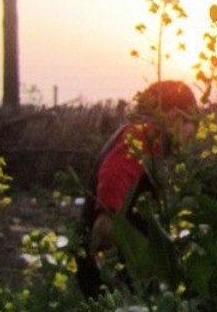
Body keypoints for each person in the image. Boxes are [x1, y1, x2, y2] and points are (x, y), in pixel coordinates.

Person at [76, 79, 199, 298]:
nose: (193, 134)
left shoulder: (153, 143)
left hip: (123, 257)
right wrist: (107, 215)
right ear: (174, 116)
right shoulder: (144, 135)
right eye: (193, 123)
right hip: (112, 255)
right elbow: (116, 172)